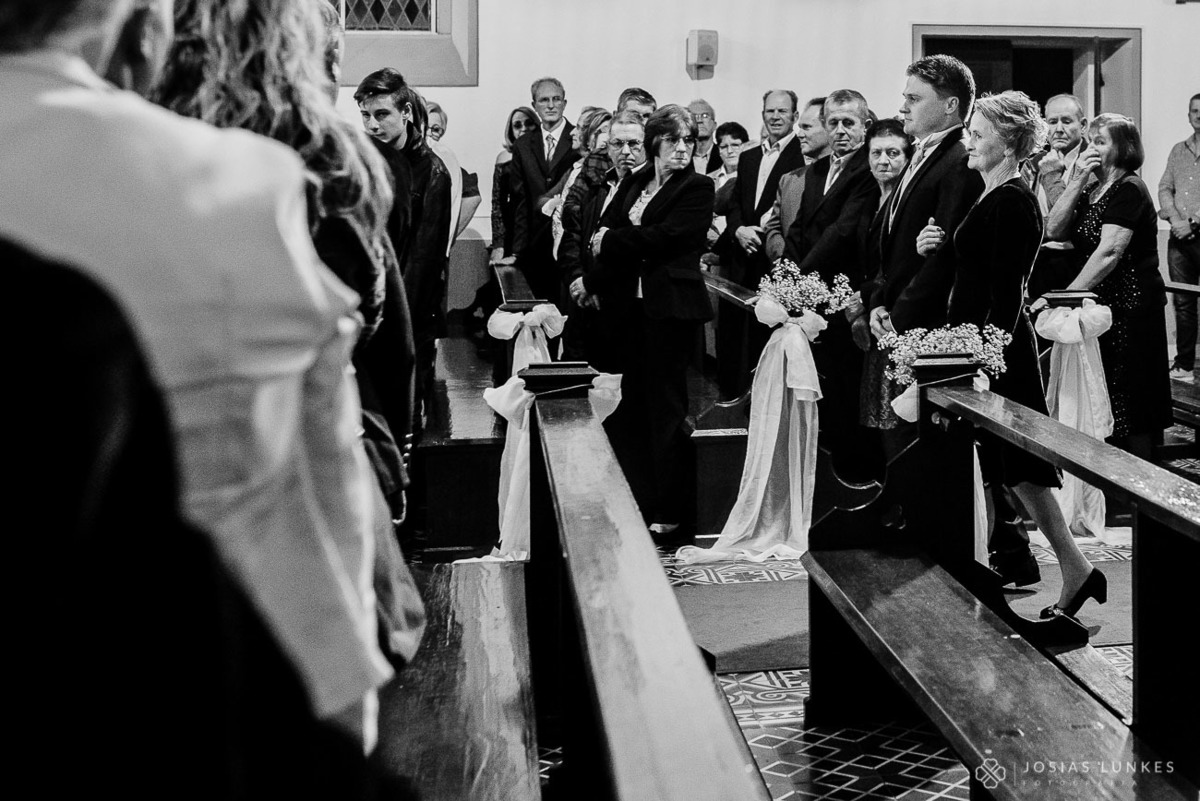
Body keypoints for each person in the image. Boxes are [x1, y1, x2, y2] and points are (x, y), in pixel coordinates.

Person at [1, 0, 407, 747]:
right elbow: (324, 509)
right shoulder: (234, 186)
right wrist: (346, 728)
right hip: (195, 693)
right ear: (135, 24)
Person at [922, 91, 1105, 619]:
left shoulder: (1014, 199)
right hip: (983, 347)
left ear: (1007, 142)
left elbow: (1005, 291)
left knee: (1020, 463)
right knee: (1013, 468)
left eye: (978, 133)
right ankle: (1074, 570)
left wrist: (984, 358)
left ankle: (1069, 567)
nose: (969, 141)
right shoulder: (991, 191)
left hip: (1000, 352)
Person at [578, 105, 715, 544]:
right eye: (672, 140)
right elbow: (604, 232)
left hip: (670, 310)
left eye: (688, 141)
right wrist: (590, 279)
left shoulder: (697, 186)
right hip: (629, 309)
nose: (681, 149)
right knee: (631, 403)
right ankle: (636, 496)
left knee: (666, 408)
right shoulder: (636, 181)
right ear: (655, 143)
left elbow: (668, 238)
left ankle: (671, 507)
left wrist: (614, 240)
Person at [1045, 113, 1173, 460]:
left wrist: (1065, 298)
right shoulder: (1091, 188)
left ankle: (1143, 491)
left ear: (1124, 148)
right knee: (1104, 399)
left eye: (1101, 142)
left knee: (1133, 403)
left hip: (1132, 308)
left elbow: (1110, 252)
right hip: (1104, 308)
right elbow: (1055, 229)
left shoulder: (1130, 187)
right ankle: (1110, 483)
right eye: (1091, 141)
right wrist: (1076, 179)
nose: (1092, 148)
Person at [782, 89, 881, 477]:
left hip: (845, 296)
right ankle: (820, 476)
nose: (840, 131)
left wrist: (797, 280)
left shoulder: (867, 169)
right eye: (833, 123)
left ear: (865, 127)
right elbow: (800, 228)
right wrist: (783, 278)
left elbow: (841, 232)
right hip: (810, 297)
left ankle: (855, 478)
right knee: (823, 392)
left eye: (849, 123)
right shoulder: (818, 170)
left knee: (846, 391)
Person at [355, 68, 452, 431]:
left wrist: (394, 323)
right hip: (371, 310)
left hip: (409, 318)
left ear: (406, 113)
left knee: (404, 421)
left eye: (382, 114)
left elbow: (423, 261)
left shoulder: (433, 173)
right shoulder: (366, 161)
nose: (372, 125)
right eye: (365, 115)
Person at [721, 89, 807, 397]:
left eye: (782, 111)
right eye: (770, 111)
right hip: (741, 256)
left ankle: (761, 402)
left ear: (795, 117)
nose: (775, 117)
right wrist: (739, 229)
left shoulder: (802, 154)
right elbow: (733, 204)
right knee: (734, 342)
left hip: (771, 260)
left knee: (764, 342)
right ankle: (734, 398)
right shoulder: (748, 156)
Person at [561, 109, 648, 363]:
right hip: (585, 302)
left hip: (624, 307)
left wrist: (594, 284)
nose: (625, 151)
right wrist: (579, 281)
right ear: (607, 148)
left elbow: (629, 248)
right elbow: (572, 235)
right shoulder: (598, 184)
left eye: (633, 144)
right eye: (617, 144)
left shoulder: (649, 188)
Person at [857, 118, 914, 435]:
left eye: (893, 153)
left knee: (896, 412)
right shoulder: (866, 199)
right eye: (876, 152)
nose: (883, 160)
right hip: (870, 308)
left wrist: (865, 299)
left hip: (894, 313)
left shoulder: (907, 200)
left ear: (907, 158)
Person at [511, 76, 579, 303]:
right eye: (544, 100)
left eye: (556, 99)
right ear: (534, 106)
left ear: (564, 104)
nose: (550, 105)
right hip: (535, 246)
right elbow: (521, 199)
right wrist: (518, 251)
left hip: (569, 243)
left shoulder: (578, 139)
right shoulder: (523, 145)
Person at [1023, 93, 1089, 301]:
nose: (1058, 129)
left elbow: (1066, 227)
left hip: (1076, 266)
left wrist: (1052, 174)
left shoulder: (1093, 163)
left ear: (1083, 125)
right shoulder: (1033, 163)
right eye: (1052, 122)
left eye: (1067, 121)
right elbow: (1023, 221)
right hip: (1037, 265)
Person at [1158, 93, 1200, 382]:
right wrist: (1175, 219)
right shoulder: (1178, 150)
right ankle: (1184, 365)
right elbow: (1164, 187)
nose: (1199, 116)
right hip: (1178, 239)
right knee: (1183, 303)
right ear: (1188, 116)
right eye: (1194, 111)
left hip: (1197, 232)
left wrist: (1193, 223)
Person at [490, 106, 538, 266]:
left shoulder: (543, 155)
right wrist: (498, 245)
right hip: (511, 229)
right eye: (517, 125)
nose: (523, 128)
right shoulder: (504, 158)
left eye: (529, 123)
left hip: (537, 229)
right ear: (511, 130)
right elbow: (497, 204)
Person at [689, 98, 722, 174]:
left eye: (705, 116)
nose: (699, 120)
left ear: (714, 125)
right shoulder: (679, 158)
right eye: (694, 117)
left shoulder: (724, 156)